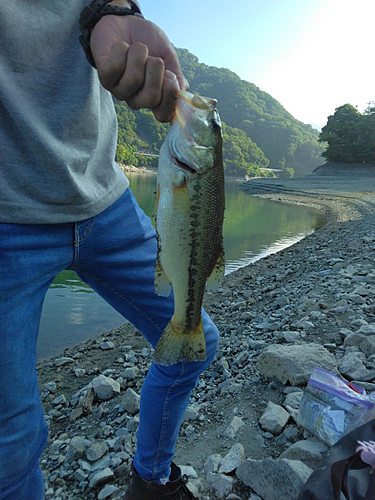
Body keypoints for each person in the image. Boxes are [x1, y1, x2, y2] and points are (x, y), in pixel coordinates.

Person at [0, 1, 219, 499]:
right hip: (7, 216)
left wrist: (111, 11)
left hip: (107, 198)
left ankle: (151, 478)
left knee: (196, 342)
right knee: (8, 445)